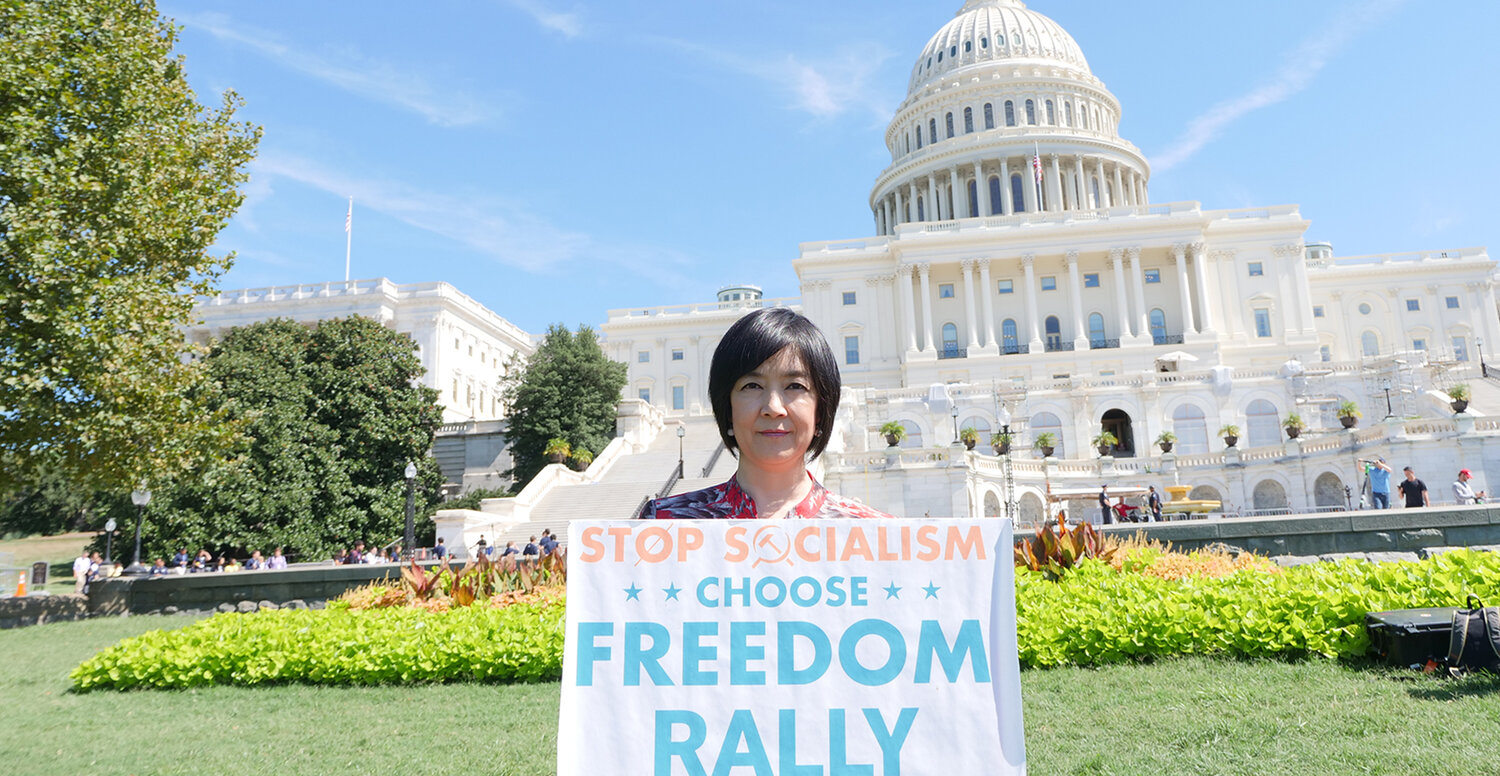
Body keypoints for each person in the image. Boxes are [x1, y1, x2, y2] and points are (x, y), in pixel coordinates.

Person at [646, 307, 891, 520]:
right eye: (752, 386)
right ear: (728, 409)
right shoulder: (664, 525)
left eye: (795, 386)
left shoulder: (871, 532)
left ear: (820, 412)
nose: (773, 408)